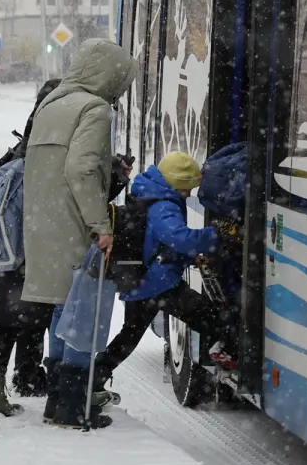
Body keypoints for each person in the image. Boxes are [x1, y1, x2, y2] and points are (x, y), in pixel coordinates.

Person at [19, 38, 134, 429]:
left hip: (41, 225)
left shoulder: (52, 104)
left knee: (60, 312)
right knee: (85, 314)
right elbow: (82, 169)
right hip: (74, 225)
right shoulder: (94, 108)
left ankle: (57, 402)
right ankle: (74, 406)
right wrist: (101, 225)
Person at [90, 151, 239, 387]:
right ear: (176, 184)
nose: (188, 193)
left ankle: (94, 377)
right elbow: (180, 238)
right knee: (210, 317)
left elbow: (158, 244)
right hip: (158, 283)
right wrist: (216, 235)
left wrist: (190, 259)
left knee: (129, 335)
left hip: (144, 280)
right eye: (186, 189)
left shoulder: (153, 193)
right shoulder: (164, 206)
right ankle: (226, 353)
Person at [0, 78, 61, 417]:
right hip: (31, 250)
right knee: (21, 321)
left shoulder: (22, 147)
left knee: (24, 319)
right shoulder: (44, 150)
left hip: (13, 252)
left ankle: (23, 377)